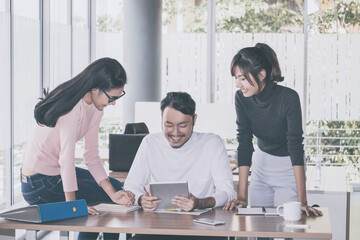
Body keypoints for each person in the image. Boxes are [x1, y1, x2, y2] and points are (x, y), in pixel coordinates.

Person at [21, 57, 135, 240]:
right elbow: (66, 159)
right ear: (95, 88)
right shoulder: (71, 108)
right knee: (100, 199)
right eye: (112, 98)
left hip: (55, 174)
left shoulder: (96, 109)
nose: (113, 103)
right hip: (38, 183)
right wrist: (72, 207)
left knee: (115, 188)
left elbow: (91, 156)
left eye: (117, 98)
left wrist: (113, 193)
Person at [223, 43, 322, 218]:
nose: (238, 84)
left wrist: (303, 201)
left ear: (261, 75)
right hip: (262, 165)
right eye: (236, 78)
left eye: (242, 78)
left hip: (288, 167)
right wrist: (242, 197)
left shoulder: (288, 98)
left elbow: (295, 146)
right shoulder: (242, 98)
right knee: (259, 226)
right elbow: (244, 143)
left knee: (286, 225)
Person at [124, 92, 234, 239]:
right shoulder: (150, 143)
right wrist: (140, 200)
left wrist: (199, 203)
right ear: (162, 121)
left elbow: (227, 191)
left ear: (194, 120)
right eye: (168, 125)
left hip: (202, 227)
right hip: (159, 226)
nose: (175, 133)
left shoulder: (212, 143)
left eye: (183, 126)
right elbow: (131, 185)